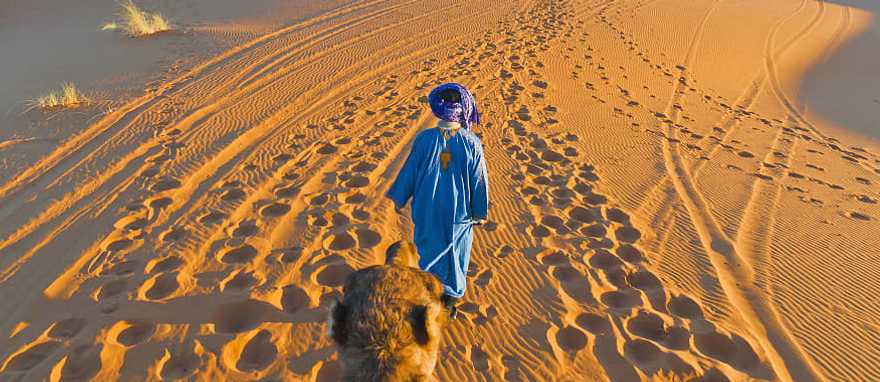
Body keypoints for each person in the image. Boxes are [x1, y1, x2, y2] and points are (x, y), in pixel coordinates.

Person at [386, 83, 490, 318]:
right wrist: (480, 212)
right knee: (455, 255)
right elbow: (479, 180)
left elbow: (410, 171)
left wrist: (400, 197)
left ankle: (429, 297)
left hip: (427, 209)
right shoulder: (472, 143)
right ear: (463, 109)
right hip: (459, 214)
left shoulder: (424, 139)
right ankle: (448, 303)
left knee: (428, 252)